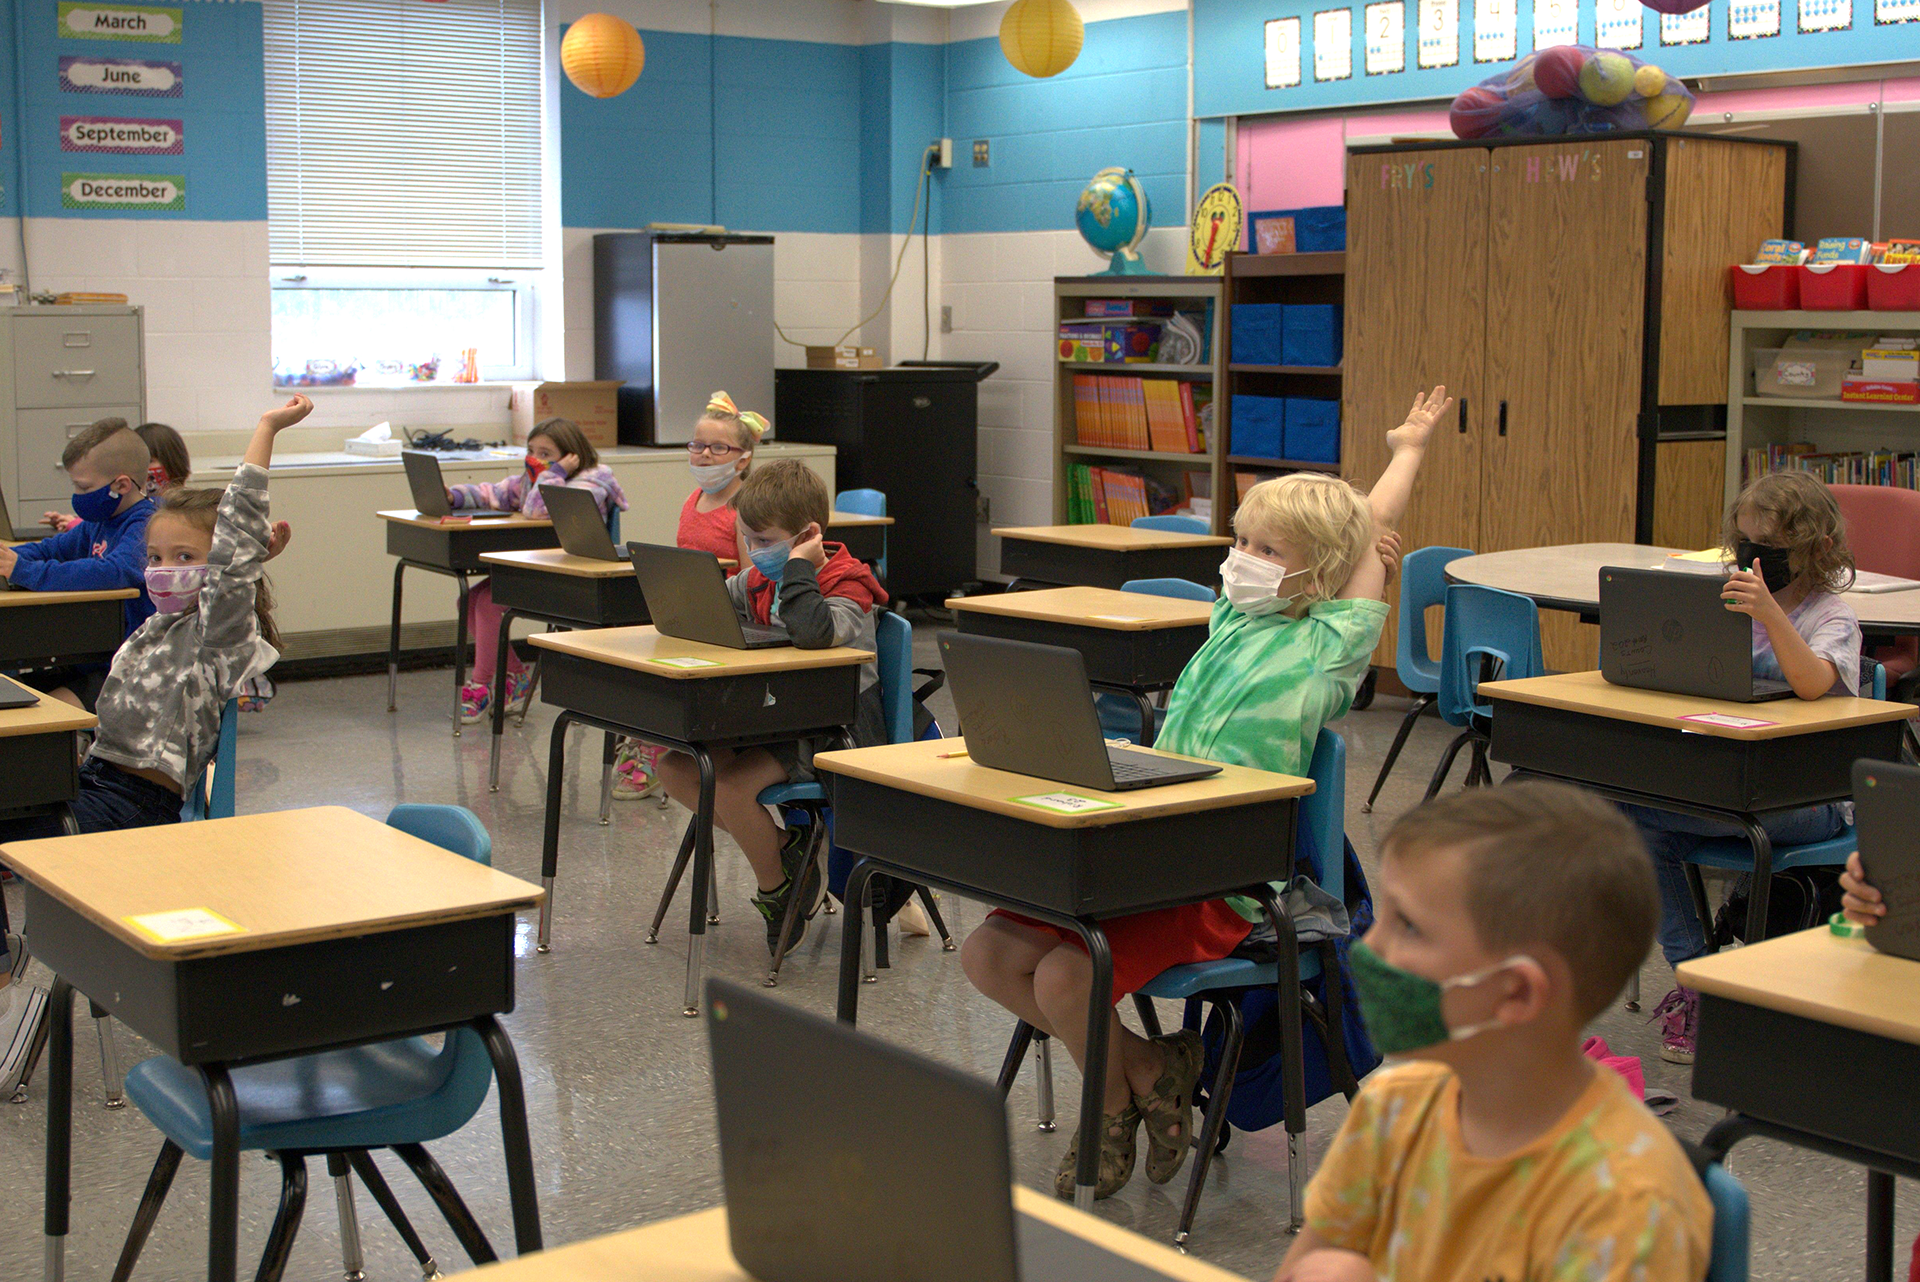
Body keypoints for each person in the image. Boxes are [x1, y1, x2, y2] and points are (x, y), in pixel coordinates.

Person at [961, 387, 1453, 1200]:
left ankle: (1109, 1102)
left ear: (1324, 570)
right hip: (1144, 838)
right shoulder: (1232, 615)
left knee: (1061, 977)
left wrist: (1409, 452)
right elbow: (1337, 531)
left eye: (1268, 548)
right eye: (1242, 540)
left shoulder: (1328, 646)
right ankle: (1151, 1068)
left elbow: (1363, 531)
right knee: (988, 953)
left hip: (1218, 876)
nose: (1245, 558)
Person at [1274, 782, 1711, 1282]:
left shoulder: (1625, 1206)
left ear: (1517, 994)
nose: (1368, 948)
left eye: (1409, 926)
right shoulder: (1393, 1110)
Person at [0, 396, 309, 937]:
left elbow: (235, 545)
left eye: (185, 558)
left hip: (133, 808)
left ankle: (4, 968)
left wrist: (267, 428)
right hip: (90, 784)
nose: (164, 571)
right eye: (156, 558)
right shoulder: (156, 626)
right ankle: (7, 961)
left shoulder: (216, 635)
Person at [1624, 470, 1861, 1064]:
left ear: (1817, 550)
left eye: (1772, 552)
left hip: (1812, 797)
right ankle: (1699, 982)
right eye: (1747, 547)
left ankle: (1701, 988)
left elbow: (1812, 684)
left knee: (1642, 819)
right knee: (1635, 822)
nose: (1755, 562)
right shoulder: (1726, 606)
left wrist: (1771, 616)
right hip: (1731, 777)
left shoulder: (1832, 617)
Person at [653, 459, 887, 958]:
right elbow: (716, 604)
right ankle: (785, 853)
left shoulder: (849, 586)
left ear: (807, 535)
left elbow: (813, 631)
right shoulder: (759, 579)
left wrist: (801, 566)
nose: (755, 553)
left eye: (765, 541)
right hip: (772, 717)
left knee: (734, 788)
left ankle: (777, 890)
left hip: (832, 730)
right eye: (748, 540)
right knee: (676, 768)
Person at [610, 390, 767, 800]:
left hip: (728, 621)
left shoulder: (743, 508)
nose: (704, 455)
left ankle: (654, 750)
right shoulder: (691, 500)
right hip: (688, 617)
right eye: (697, 445)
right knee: (635, 662)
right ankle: (645, 740)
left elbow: (751, 579)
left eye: (719, 448)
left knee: (668, 675)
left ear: (743, 458)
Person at [449, 417, 627, 724]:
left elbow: (536, 511)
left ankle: (481, 685)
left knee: (491, 605)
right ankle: (515, 676)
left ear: (572, 454)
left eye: (546, 452)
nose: (536, 459)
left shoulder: (593, 481)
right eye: (532, 450)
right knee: (469, 600)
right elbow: (496, 492)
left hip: (573, 578)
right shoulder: (538, 477)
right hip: (540, 568)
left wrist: (554, 473)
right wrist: (455, 495)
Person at [1, 417, 157, 709]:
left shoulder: (149, 524)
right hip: (93, 658)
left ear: (121, 484)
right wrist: (12, 558)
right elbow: (52, 549)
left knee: (36, 708)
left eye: (84, 488)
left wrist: (24, 571)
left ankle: (79, 746)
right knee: (12, 691)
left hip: (130, 670)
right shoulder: (98, 521)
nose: (78, 497)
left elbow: (115, 571)